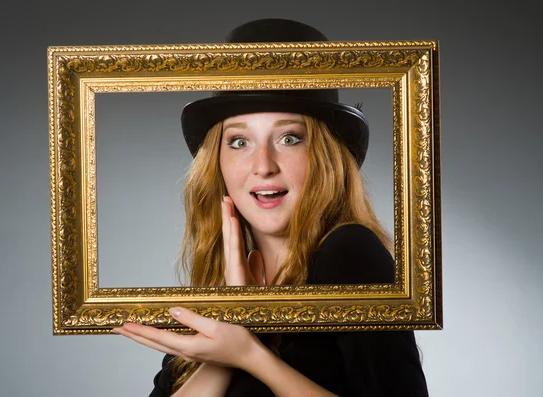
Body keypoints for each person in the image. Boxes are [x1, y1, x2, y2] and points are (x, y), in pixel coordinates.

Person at [112, 19, 430, 396]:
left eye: (289, 138)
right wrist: (226, 340)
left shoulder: (350, 252)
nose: (263, 164)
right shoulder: (219, 286)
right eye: (239, 142)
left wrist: (250, 355)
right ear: (217, 163)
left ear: (323, 158)